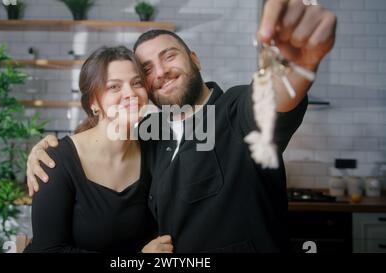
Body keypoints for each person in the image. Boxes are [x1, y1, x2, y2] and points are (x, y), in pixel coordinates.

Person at [26, 0, 337, 252]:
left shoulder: (235, 110)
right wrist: (48, 150)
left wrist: (295, 67)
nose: (161, 72)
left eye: (169, 56)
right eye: (146, 69)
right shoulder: (151, 136)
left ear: (195, 59)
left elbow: (271, 99)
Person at [24, 46, 173, 253]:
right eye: (114, 87)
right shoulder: (56, 160)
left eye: (137, 83)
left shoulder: (155, 144)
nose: (130, 93)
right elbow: (48, 250)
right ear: (93, 102)